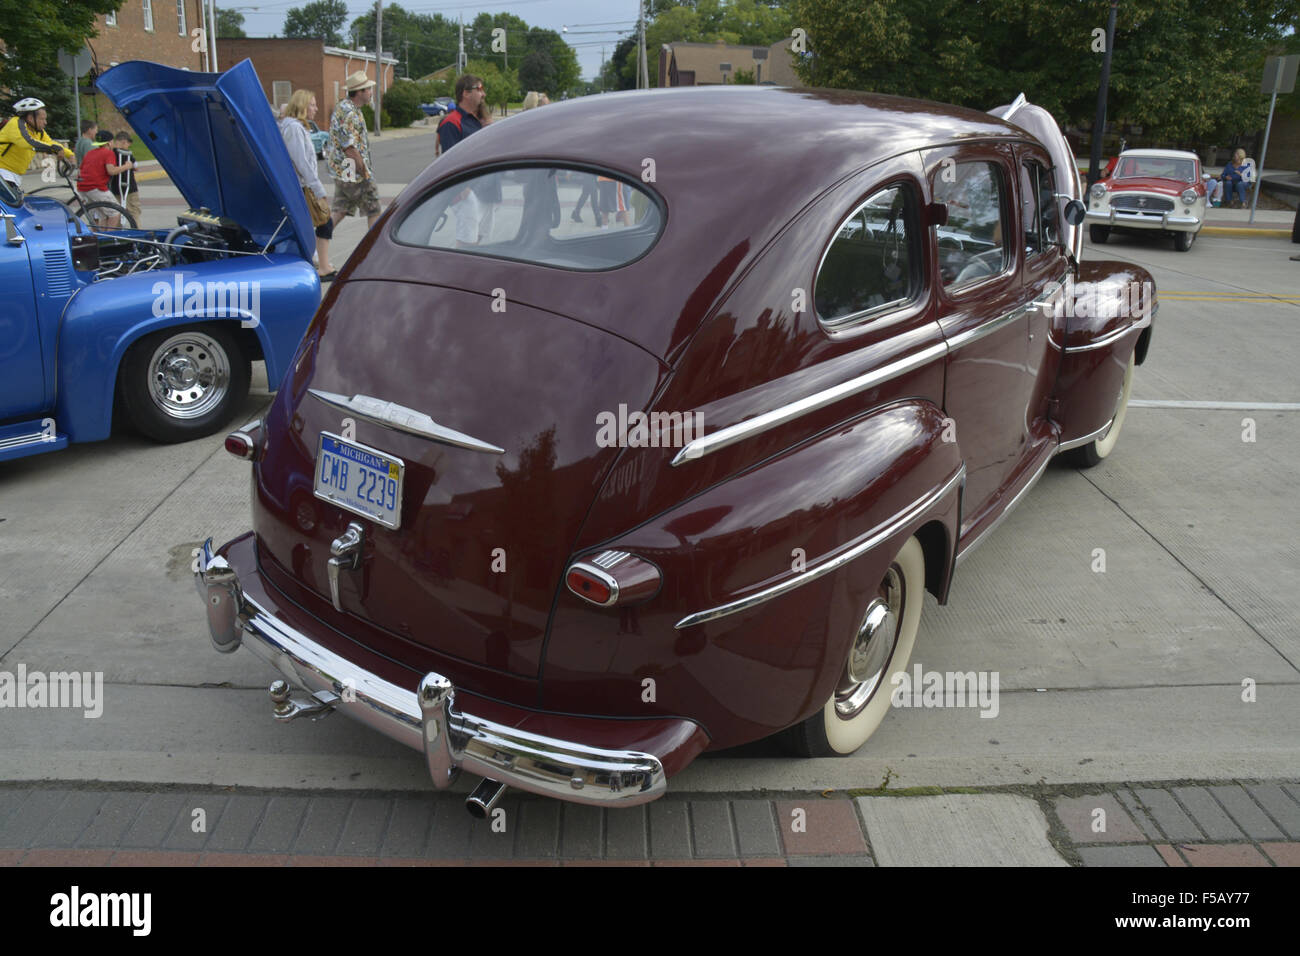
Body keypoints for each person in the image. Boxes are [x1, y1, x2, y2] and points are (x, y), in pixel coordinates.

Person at [280, 89, 336, 280]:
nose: (316, 108)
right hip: (303, 187)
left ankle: (319, 263)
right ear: (302, 107)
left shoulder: (294, 127)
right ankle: (323, 267)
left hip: (302, 186)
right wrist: (318, 188)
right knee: (324, 221)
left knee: (310, 226)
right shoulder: (294, 129)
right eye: (312, 104)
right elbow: (301, 162)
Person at [325, 71, 380, 230]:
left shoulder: (346, 108)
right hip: (353, 173)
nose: (371, 92)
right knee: (373, 208)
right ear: (359, 92)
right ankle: (373, 251)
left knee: (340, 211)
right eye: (368, 89)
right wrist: (364, 172)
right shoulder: (349, 113)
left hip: (345, 173)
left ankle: (318, 241)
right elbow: (349, 148)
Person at [0, 98, 76, 192]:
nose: (45, 122)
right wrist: (54, 149)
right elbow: (28, 142)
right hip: (3, 173)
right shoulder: (15, 124)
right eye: (42, 119)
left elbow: (50, 142)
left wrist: (69, 154)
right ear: (31, 118)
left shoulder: (37, 131)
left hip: (13, 175)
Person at [77, 134, 133, 227]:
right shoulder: (108, 153)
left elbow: (81, 168)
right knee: (115, 212)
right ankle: (109, 237)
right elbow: (111, 171)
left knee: (102, 215)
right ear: (109, 143)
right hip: (96, 187)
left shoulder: (90, 153)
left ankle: (100, 237)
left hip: (83, 188)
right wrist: (126, 166)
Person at [109, 131, 141, 224]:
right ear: (124, 142)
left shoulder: (111, 153)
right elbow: (136, 166)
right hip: (130, 188)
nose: (128, 146)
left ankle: (117, 233)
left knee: (117, 212)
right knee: (134, 212)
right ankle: (137, 232)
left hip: (115, 188)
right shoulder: (128, 154)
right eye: (128, 143)